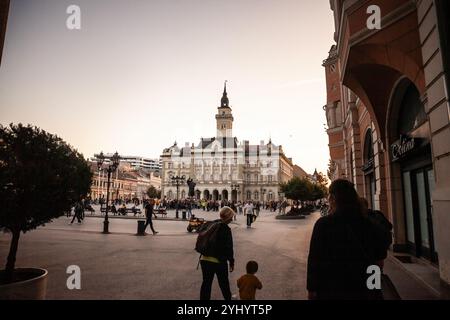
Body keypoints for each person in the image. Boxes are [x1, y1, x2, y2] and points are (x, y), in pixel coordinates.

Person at [307, 179, 386, 300]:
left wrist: (312, 289)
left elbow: (315, 260)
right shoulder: (370, 224)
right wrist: (374, 288)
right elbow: (379, 262)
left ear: (333, 198)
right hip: (363, 290)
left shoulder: (323, 225)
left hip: (331, 289)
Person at [199, 206, 235, 300]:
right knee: (224, 284)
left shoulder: (209, 224)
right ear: (227, 217)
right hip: (218, 261)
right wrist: (231, 262)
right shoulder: (226, 229)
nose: (232, 219)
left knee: (206, 284)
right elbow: (229, 248)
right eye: (231, 217)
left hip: (204, 259)